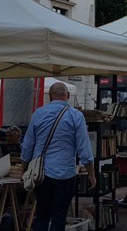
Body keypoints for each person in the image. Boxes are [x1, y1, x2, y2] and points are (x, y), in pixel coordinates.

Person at [22, 82, 96, 231]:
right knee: (59, 218)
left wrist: (24, 169)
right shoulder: (76, 115)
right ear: (67, 96)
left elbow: (27, 145)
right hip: (65, 175)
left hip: (41, 174)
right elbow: (84, 148)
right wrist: (91, 174)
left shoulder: (38, 114)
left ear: (50, 97)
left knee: (42, 215)